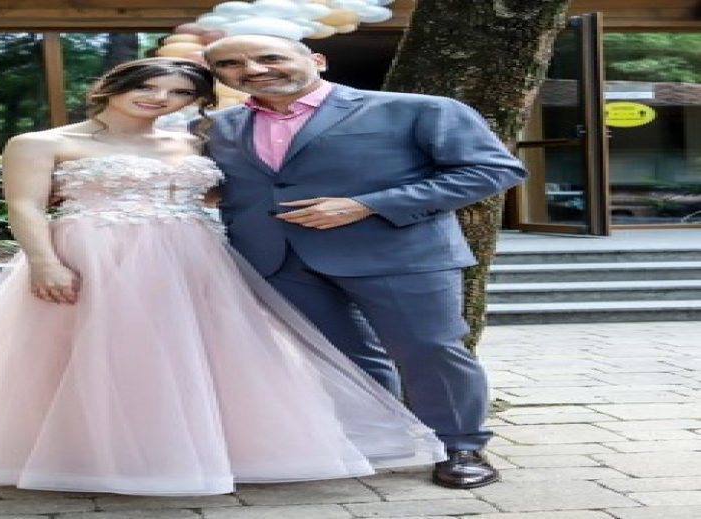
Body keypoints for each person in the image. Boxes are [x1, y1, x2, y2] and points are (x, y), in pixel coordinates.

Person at [0, 57, 446, 496]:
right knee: (99, 354)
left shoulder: (195, 144)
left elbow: (223, 194)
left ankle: (207, 446)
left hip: (194, 257)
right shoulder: (41, 142)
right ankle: (95, 453)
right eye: (148, 87)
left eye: (179, 93)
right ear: (112, 88)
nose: (161, 99)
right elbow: (25, 207)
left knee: (203, 355)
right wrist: (44, 261)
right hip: (95, 253)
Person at [201, 35, 528, 490]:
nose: (252, 69)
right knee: (338, 357)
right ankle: (380, 439)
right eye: (231, 64)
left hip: (399, 254)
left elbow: (493, 170)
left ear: (317, 60)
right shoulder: (216, 127)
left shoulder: (418, 110)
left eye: (270, 57)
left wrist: (368, 205)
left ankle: (460, 446)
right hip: (276, 258)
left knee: (430, 350)